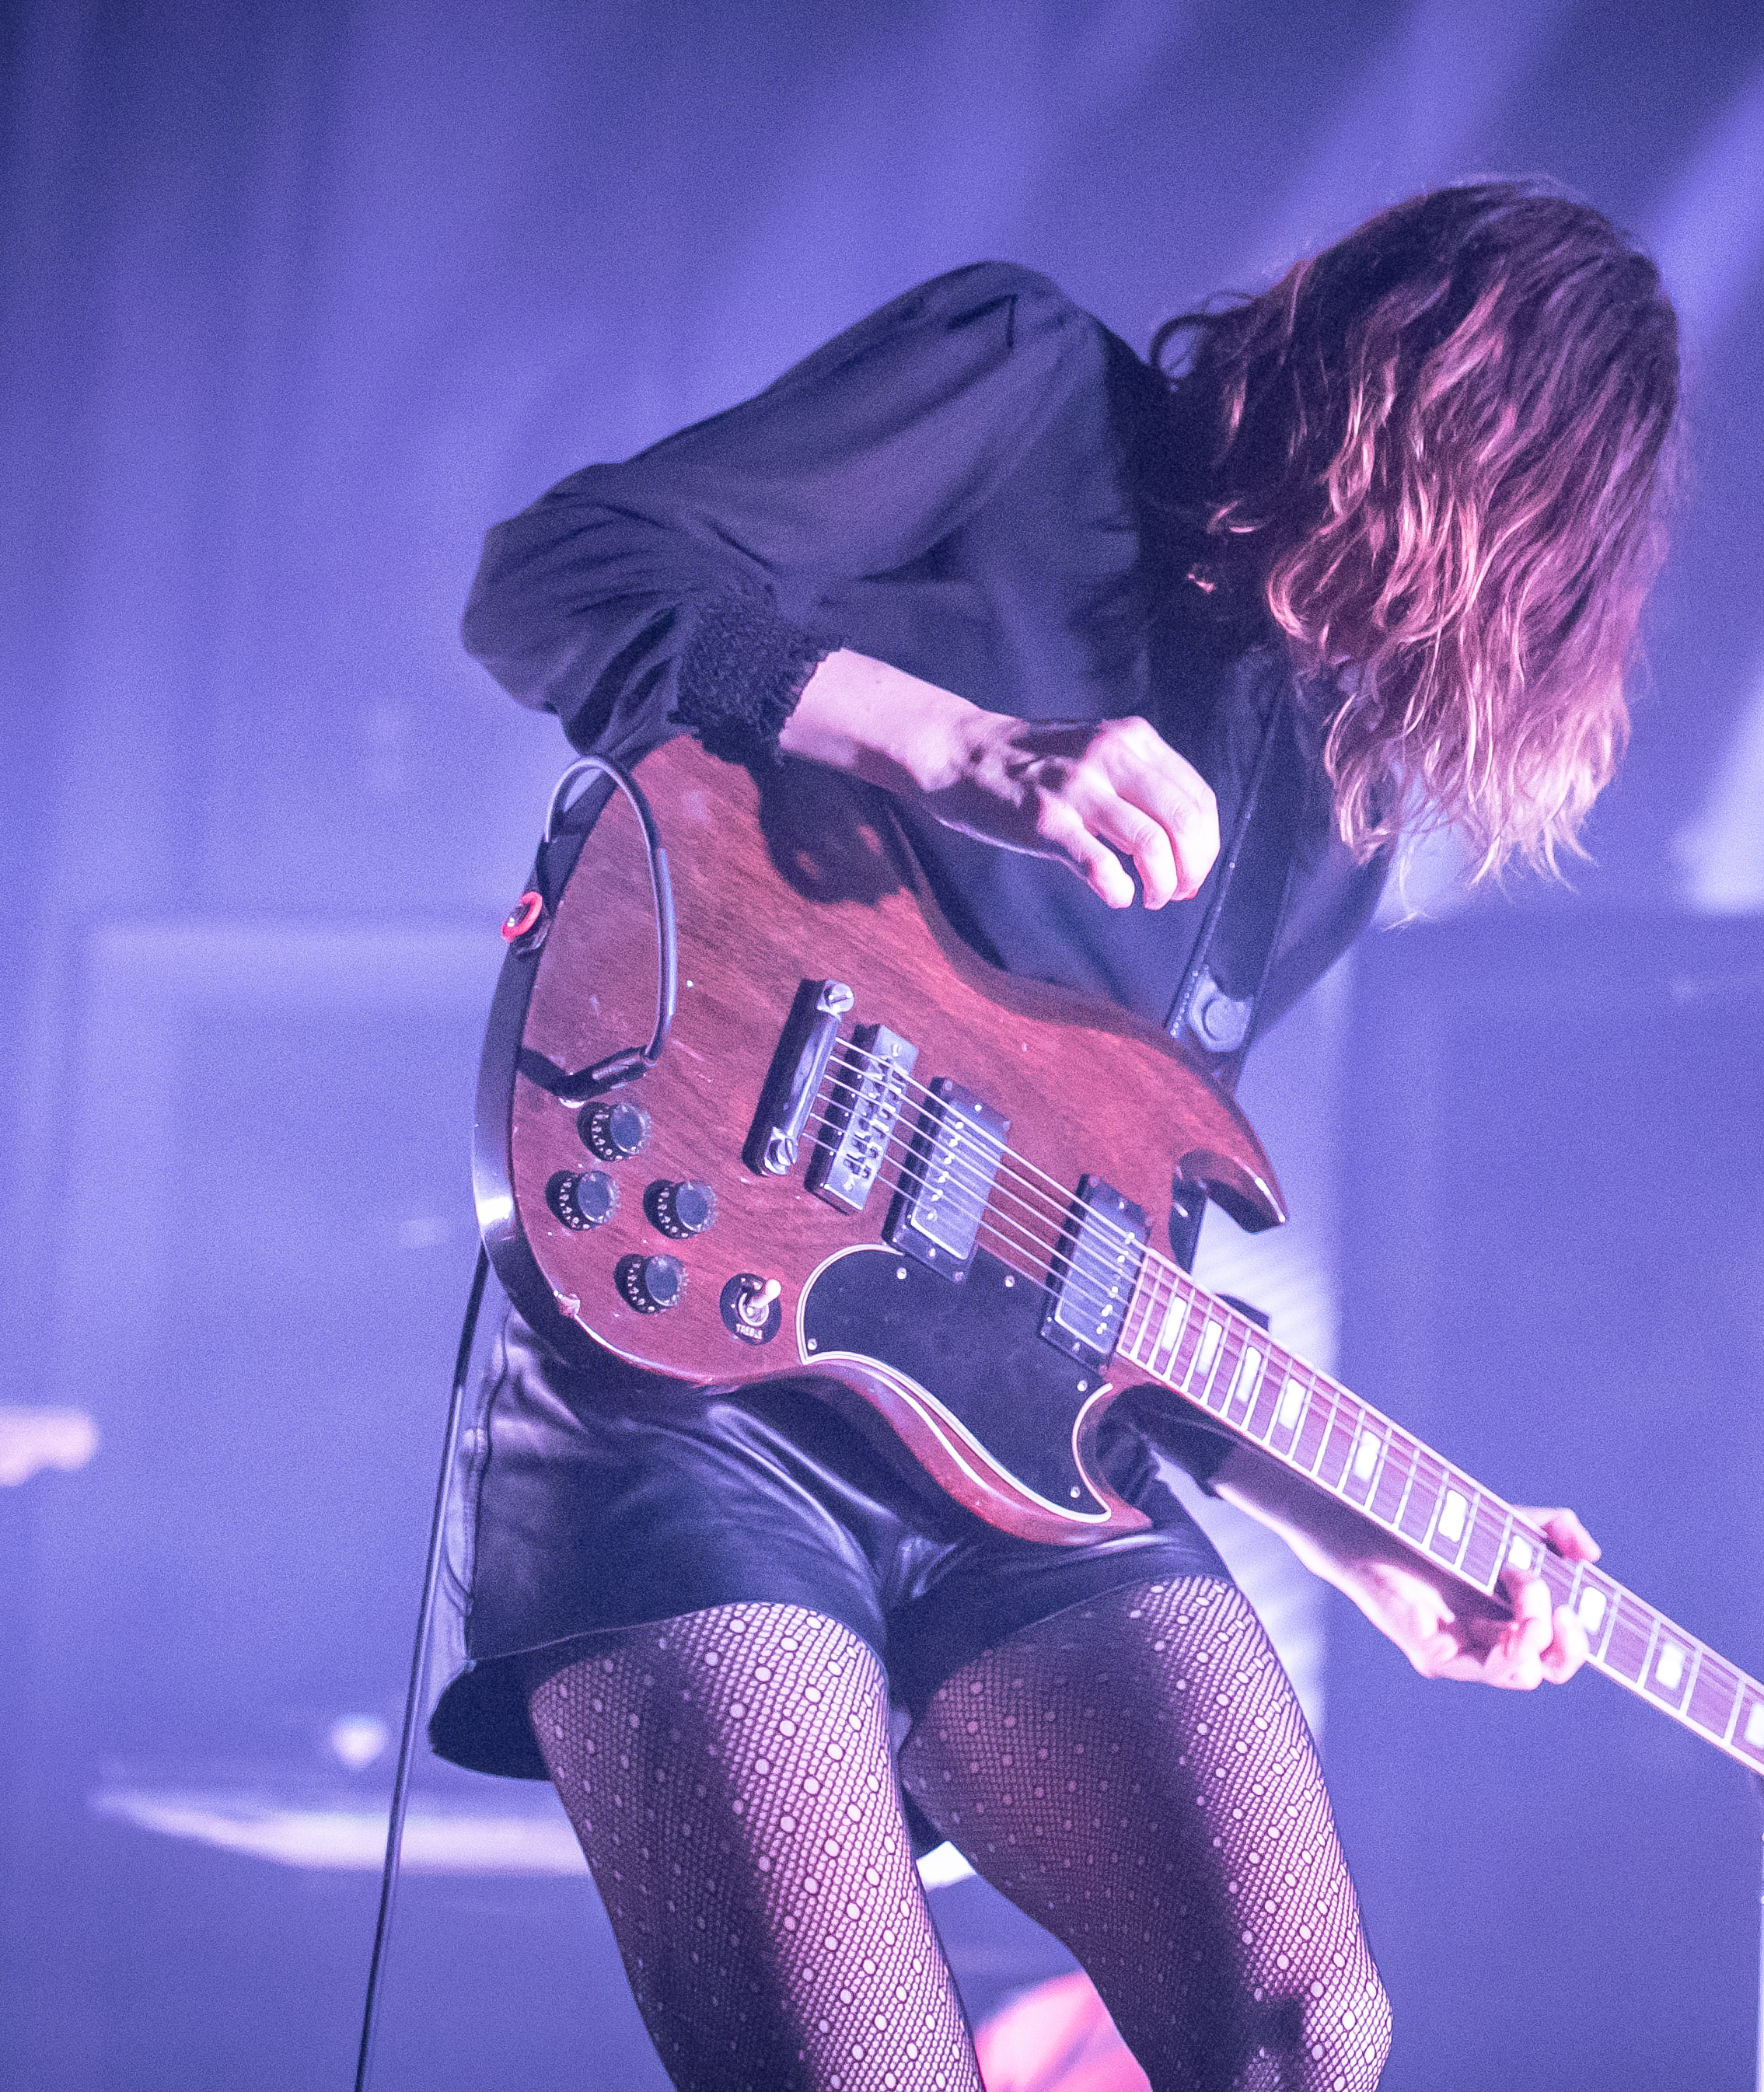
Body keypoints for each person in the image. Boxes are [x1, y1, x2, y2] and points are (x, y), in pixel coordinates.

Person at [441, 180, 1680, 2092]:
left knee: (1305, 2022)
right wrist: (966, 750)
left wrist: (1365, 1539)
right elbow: (551, 576)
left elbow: (1104, 1275)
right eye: (1425, 480)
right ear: (1353, 373)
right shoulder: (1029, 396)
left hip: (1007, 1482)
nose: (1407, 578)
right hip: (691, 1388)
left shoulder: (1322, 819)